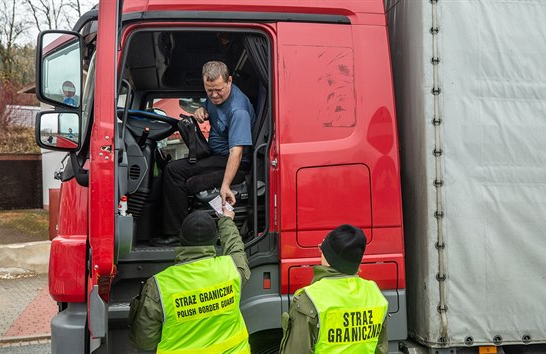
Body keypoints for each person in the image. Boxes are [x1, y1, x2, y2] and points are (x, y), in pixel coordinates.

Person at [153, 60, 256, 246]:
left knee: (175, 172)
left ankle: (177, 233)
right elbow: (211, 107)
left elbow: (237, 153)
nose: (214, 95)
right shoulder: (214, 96)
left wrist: (226, 185)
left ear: (229, 81)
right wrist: (202, 110)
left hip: (233, 162)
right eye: (209, 91)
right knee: (172, 169)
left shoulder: (238, 110)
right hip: (216, 157)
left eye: (218, 90)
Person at [128, 208, 251, 353]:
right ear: (214, 239)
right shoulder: (232, 270)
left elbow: (144, 341)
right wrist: (226, 221)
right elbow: (235, 249)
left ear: (181, 240)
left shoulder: (159, 285)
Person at [279, 225, 389, 354]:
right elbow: (380, 349)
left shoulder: (311, 298)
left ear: (330, 258)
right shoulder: (374, 294)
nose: (320, 252)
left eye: (322, 249)